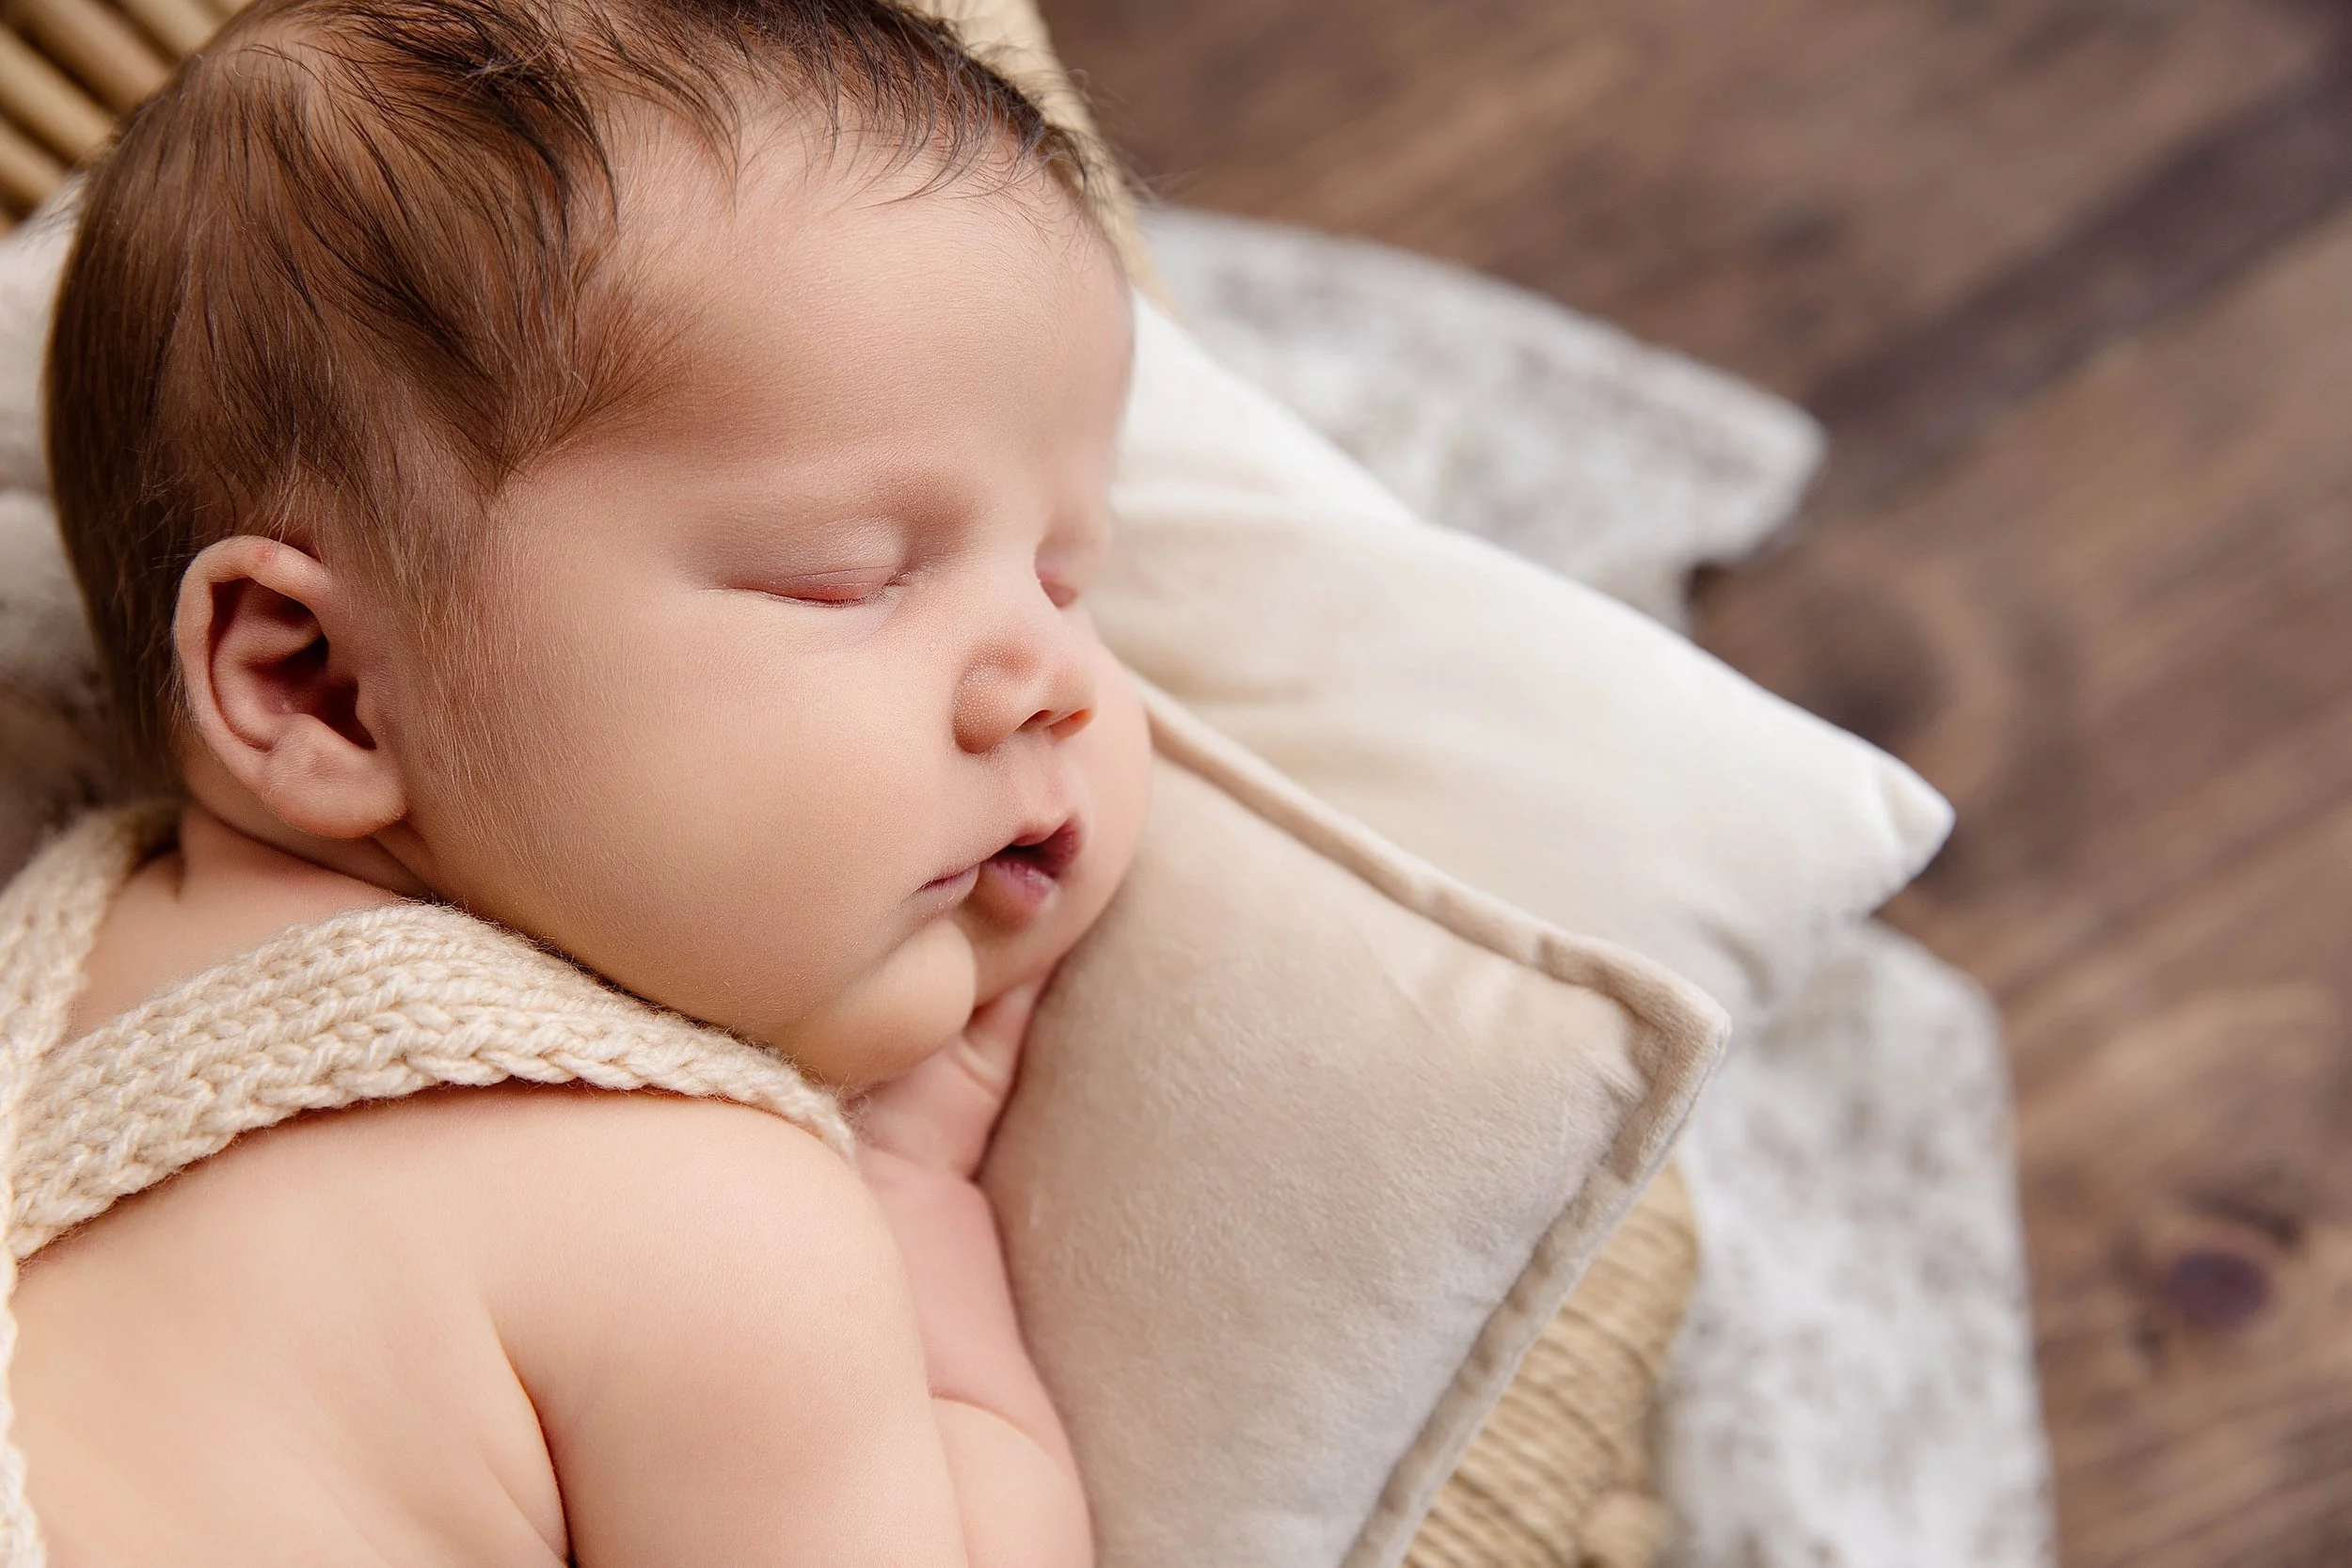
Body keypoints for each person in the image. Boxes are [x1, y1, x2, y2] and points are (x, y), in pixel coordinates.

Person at [7, 0, 1152, 1560]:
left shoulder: (75, 943)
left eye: (1067, 579)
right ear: (317, 685)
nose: (1052, 682)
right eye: (848, 579)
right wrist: (918, 1202)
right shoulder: (717, 1232)